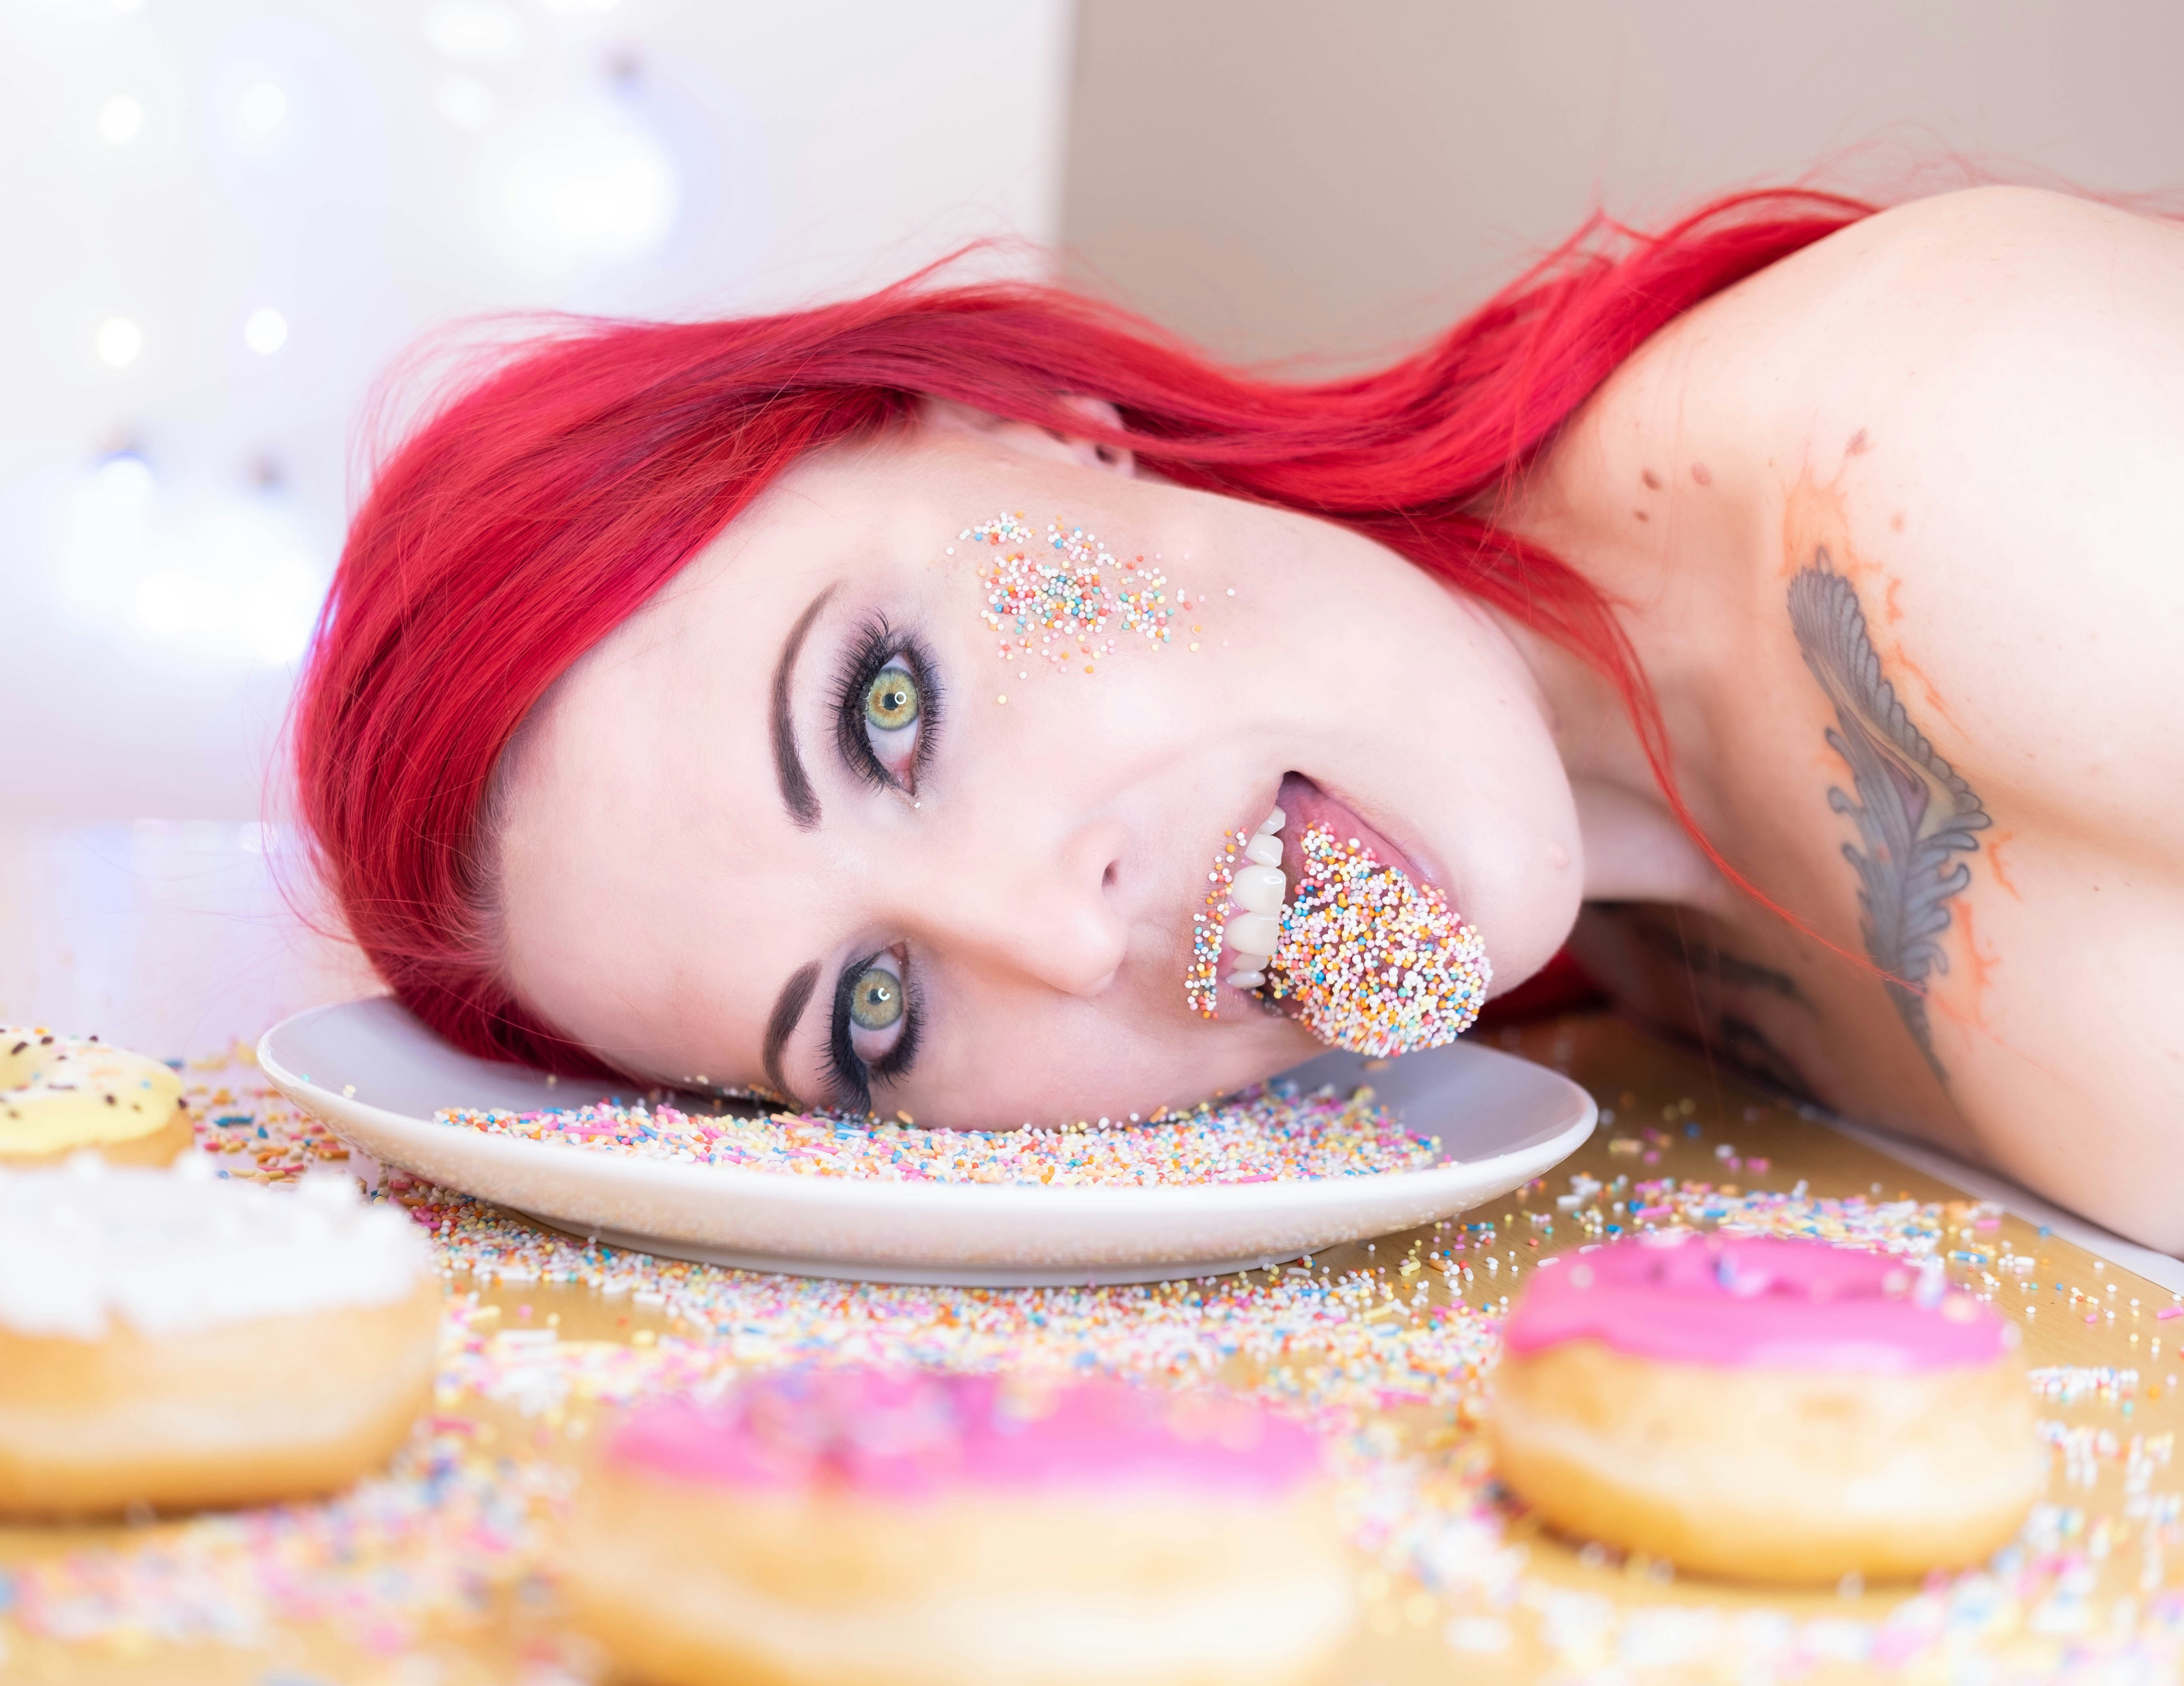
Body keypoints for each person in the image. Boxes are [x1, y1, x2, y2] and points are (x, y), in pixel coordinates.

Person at [294, 184, 2184, 1252]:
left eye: (891, 705)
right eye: (875, 1015)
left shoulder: (1985, 475)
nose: (1055, 930)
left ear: (1029, 423)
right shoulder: (1637, 963)